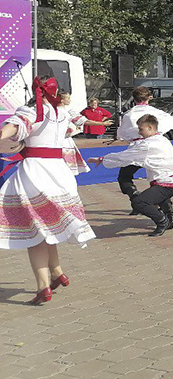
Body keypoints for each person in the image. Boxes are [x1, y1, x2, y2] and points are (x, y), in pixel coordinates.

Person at [0, 76, 97, 305]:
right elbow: (76, 126)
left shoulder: (32, 110)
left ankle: (43, 286)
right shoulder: (60, 112)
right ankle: (57, 272)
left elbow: (16, 125)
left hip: (36, 173)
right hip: (60, 173)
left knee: (35, 231)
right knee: (46, 227)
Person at [89, 114, 173, 237]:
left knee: (139, 203)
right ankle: (169, 219)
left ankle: (163, 221)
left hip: (167, 183)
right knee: (157, 197)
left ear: (150, 128)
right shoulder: (163, 139)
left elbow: (125, 156)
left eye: (141, 129)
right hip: (171, 178)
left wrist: (102, 159)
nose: (139, 133)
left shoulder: (148, 145)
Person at [115, 86, 173, 202]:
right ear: (149, 98)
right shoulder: (156, 113)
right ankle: (167, 209)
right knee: (162, 180)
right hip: (156, 148)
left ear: (134, 99)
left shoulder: (129, 115)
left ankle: (134, 195)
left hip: (138, 149)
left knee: (124, 177)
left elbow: (122, 133)